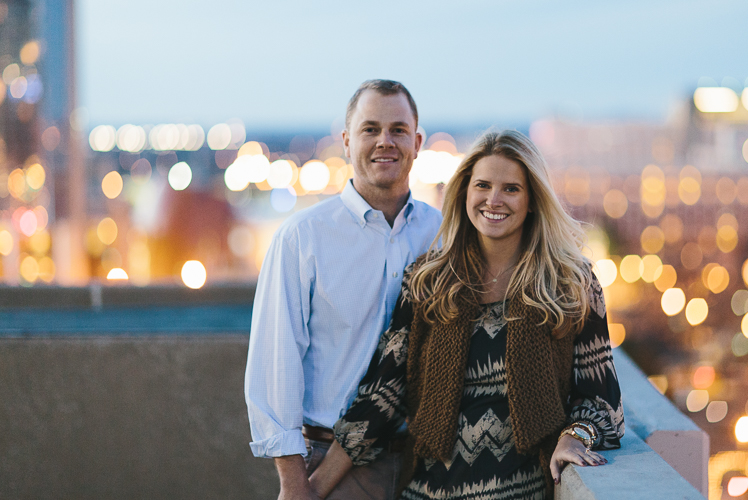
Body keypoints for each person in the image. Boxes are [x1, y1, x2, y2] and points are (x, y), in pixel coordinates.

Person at [309, 130, 625, 499]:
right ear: (464, 193)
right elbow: (383, 395)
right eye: (483, 185)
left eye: (511, 188)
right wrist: (311, 490)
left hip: (520, 492)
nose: (494, 200)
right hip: (427, 492)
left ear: (533, 200)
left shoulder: (570, 284)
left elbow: (602, 400)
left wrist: (576, 436)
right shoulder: (428, 281)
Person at [244, 79, 442, 500]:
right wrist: (293, 483)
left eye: (398, 130)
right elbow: (275, 361)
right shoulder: (303, 238)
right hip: (330, 466)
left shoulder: (444, 234)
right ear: (347, 141)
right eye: (370, 129)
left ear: (417, 141)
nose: (384, 142)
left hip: (428, 467)